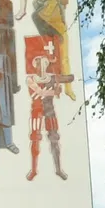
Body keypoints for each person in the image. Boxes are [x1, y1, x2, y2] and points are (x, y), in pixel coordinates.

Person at [27, 52, 75, 180]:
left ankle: (58, 169)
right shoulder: (30, 79)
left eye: (42, 63)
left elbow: (68, 78)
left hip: (49, 110)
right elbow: (39, 92)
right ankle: (33, 170)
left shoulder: (52, 78)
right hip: (37, 111)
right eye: (38, 63)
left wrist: (66, 73)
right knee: (35, 138)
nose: (40, 66)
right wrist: (54, 91)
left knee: (54, 139)